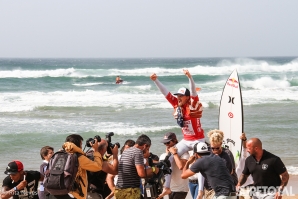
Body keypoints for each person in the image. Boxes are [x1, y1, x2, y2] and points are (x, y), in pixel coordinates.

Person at [150, 69, 205, 194]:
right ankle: (167, 187)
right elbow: (166, 93)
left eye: (181, 96)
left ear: (187, 97)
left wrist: (190, 77)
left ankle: (201, 190)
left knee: (200, 161)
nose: (178, 98)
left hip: (198, 140)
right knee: (168, 158)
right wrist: (156, 81)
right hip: (186, 140)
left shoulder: (193, 103)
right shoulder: (176, 104)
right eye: (177, 96)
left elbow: (193, 91)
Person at [46, 134, 103, 199]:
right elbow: (98, 166)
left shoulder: (59, 154)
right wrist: (96, 150)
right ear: (78, 145)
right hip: (74, 194)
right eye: (81, 144)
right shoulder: (79, 157)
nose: (81, 147)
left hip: (55, 191)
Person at [115, 134, 159, 199]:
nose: (147, 151)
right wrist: (153, 169)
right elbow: (141, 174)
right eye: (148, 148)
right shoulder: (138, 152)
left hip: (119, 190)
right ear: (145, 146)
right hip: (130, 191)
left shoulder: (126, 151)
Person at [204, 130, 236, 199]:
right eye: (213, 148)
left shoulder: (227, 154)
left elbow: (230, 172)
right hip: (208, 188)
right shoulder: (207, 152)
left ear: (221, 143)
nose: (215, 150)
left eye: (217, 148)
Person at [158, 132, 190, 199]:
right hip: (171, 188)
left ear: (175, 141)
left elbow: (181, 166)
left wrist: (174, 154)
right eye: (165, 143)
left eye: (168, 142)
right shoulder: (168, 154)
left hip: (180, 188)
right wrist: (168, 155)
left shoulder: (184, 153)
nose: (167, 145)